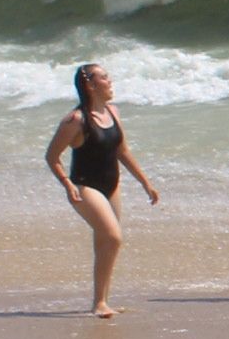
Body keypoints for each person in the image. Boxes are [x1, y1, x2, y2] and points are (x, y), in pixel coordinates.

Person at [43, 63, 161, 320]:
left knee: (105, 243)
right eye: (105, 78)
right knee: (113, 237)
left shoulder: (113, 112)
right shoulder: (75, 121)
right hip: (85, 186)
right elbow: (52, 156)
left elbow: (122, 151)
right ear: (90, 85)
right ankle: (99, 303)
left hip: (112, 186)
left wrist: (145, 182)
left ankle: (101, 301)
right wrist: (67, 184)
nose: (110, 81)